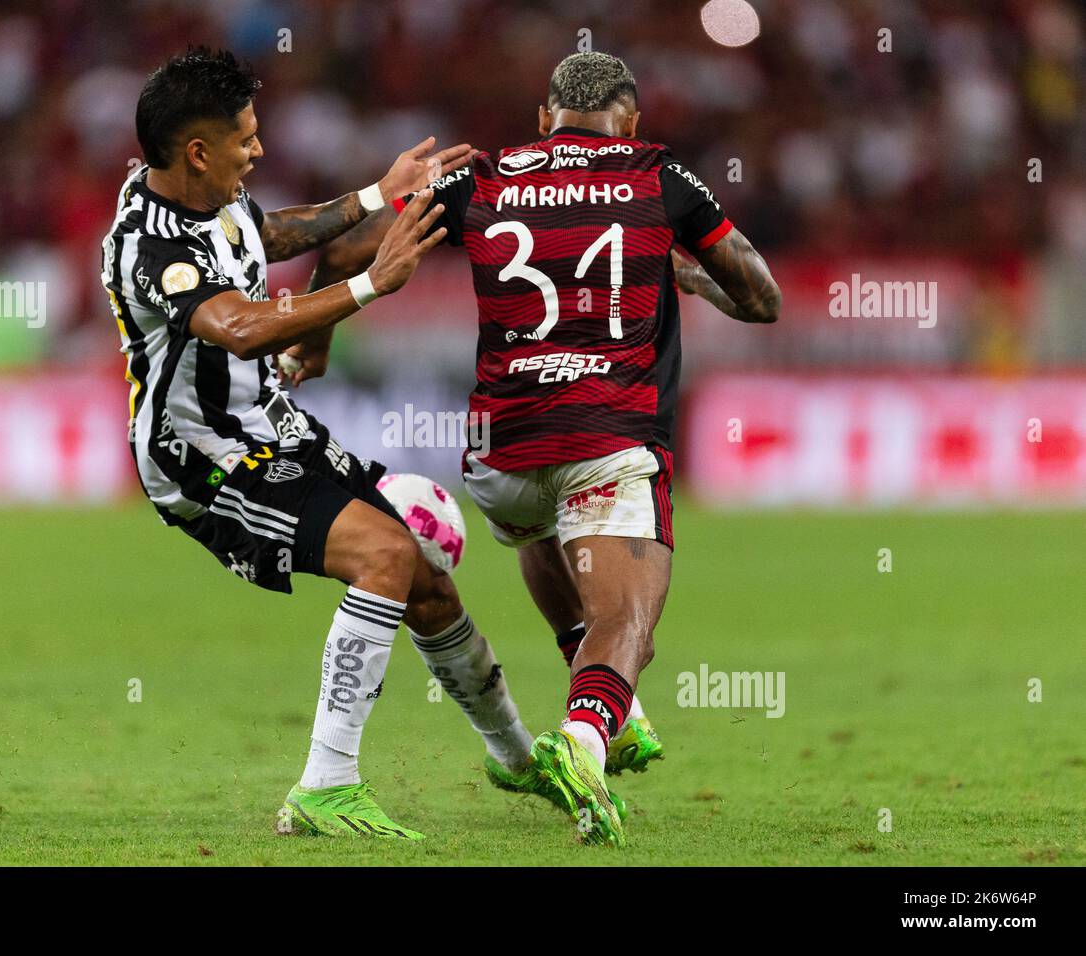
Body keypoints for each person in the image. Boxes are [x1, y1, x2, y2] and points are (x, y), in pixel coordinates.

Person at [305, 51, 782, 846]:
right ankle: (587, 737)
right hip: (606, 437)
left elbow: (351, 254)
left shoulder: (482, 180)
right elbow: (762, 298)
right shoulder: (656, 177)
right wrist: (691, 280)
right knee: (629, 620)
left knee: (541, 526)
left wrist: (318, 341)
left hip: (500, 457)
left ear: (542, 121)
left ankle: (610, 716)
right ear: (630, 123)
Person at [101, 47, 538, 841]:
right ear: (197, 151)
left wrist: (377, 193)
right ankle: (325, 785)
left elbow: (263, 234)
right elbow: (236, 327)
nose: (258, 150)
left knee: (425, 577)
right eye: (245, 138)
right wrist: (371, 286)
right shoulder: (145, 242)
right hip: (205, 461)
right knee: (384, 557)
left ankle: (517, 759)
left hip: (272, 426)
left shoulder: (213, 195)